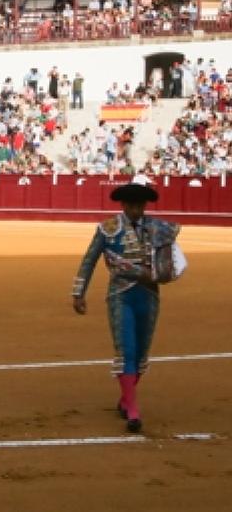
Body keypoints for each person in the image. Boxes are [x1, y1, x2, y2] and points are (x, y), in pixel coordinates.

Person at [72, 183, 182, 434]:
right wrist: (79, 292)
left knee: (141, 352)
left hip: (149, 295)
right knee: (127, 349)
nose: (136, 210)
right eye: (132, 206)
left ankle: (126, 399)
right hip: (120, 295)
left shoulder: (157, 229)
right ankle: (133, 412)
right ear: (122, 205)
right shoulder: (108, 228)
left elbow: (167, 263)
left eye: (140, 206)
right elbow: (89, 260)